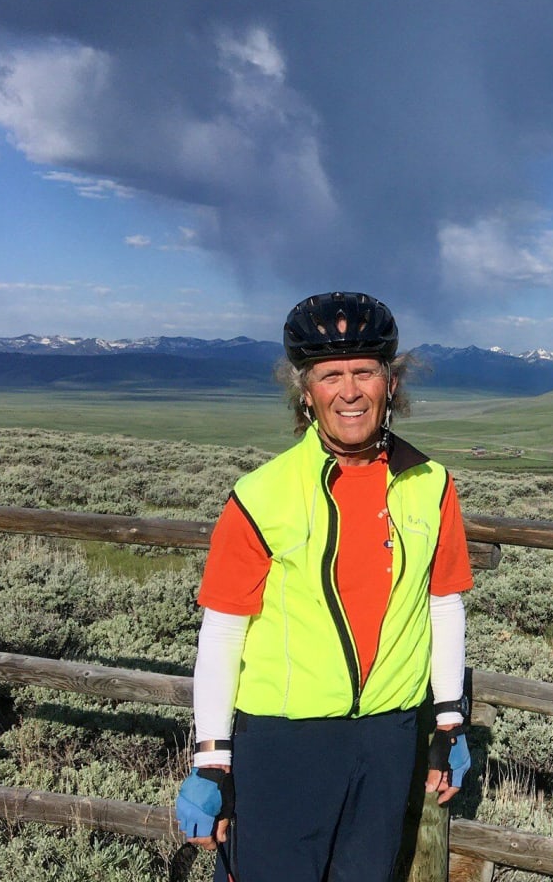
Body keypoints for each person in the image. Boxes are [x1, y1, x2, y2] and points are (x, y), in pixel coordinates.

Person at [176, 291, 474, 881]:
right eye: (330, 375)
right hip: (285, 743)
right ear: (305, 390)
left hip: (389, 734)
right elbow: (223, 631)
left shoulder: (431, 486)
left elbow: (443, 604)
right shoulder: (261, 496)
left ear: (391, 382)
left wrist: (447, 722)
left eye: (365, 371)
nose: (350, 390)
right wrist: (212, 759)